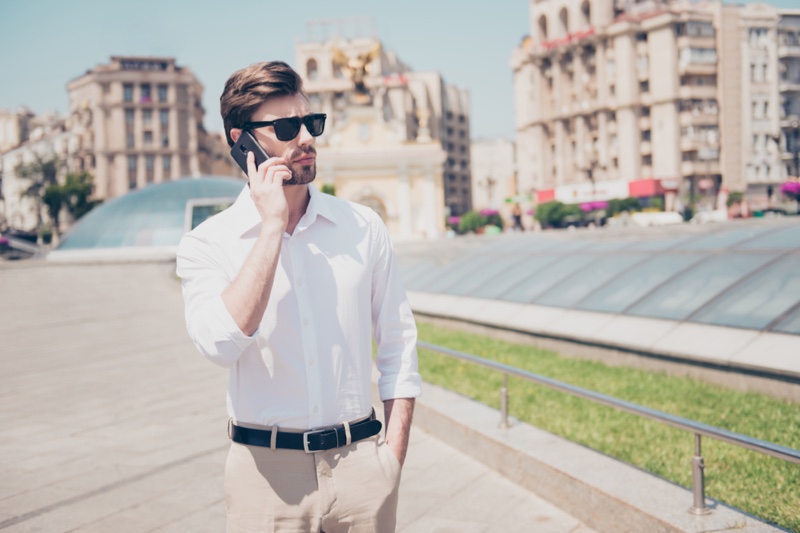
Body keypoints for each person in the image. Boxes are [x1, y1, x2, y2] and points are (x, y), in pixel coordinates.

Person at [175, 61, 421, 533]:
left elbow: (398, 344)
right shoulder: (207, 243)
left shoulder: (362, 226)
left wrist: (390, 459)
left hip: (362, 468)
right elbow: (219, 345)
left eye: (312, 123)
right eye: (287, 128)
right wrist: (270, 227)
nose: (305, 138)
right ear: (240, 140)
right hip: (265, 479)